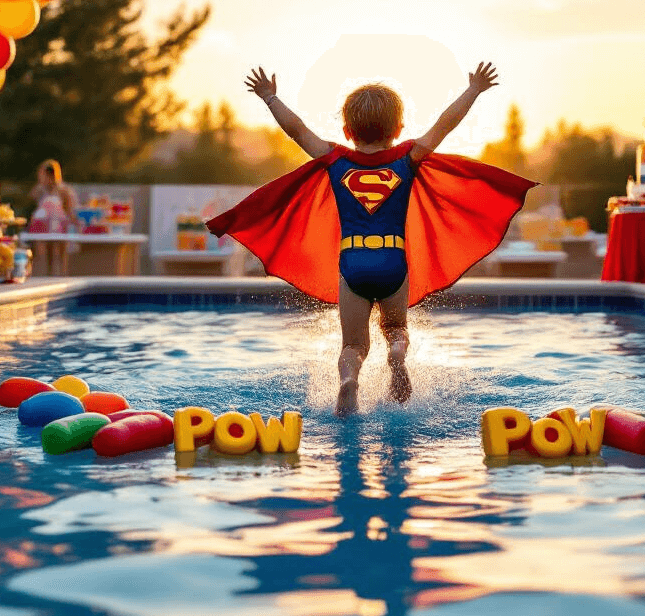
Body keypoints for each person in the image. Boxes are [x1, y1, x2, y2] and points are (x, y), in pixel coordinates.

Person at [207, 64, 535, 416]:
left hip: (353, 265)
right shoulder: (408, 159)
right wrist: (473, 90)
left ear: (348, 130)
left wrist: (270, 97)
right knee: (395, 327)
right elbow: (445, 124)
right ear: (398, 128)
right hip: (394, 262)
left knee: (352, 344)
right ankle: (396, 351)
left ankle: (349, 380)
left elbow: (297, 130)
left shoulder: (335, 160)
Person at [27, 160, 79, 274]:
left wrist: (74, 224)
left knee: (61, 254)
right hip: (44, 226)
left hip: (60, 225)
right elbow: (34, 206)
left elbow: (69, 210)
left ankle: (62, 273)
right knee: (46, 252)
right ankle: (46, 274)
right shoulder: (40, 190)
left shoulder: (64, 191)